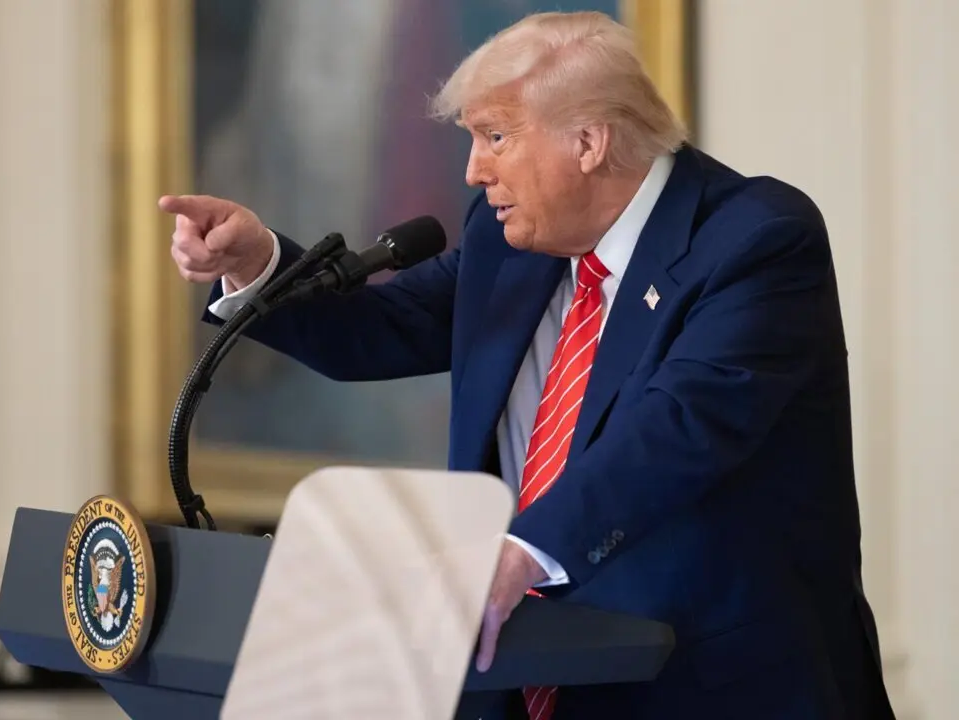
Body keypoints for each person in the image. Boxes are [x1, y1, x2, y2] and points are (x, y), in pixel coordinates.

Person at [159, 10, 895, 720]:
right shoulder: (510, 244)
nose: (476, 170)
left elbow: (678, 428)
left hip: (712, 684)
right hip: (524, 676)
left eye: (496, 136)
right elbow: (383, 328)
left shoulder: (753, 241)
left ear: (589, 142)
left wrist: (520, 553)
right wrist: (260, 264)